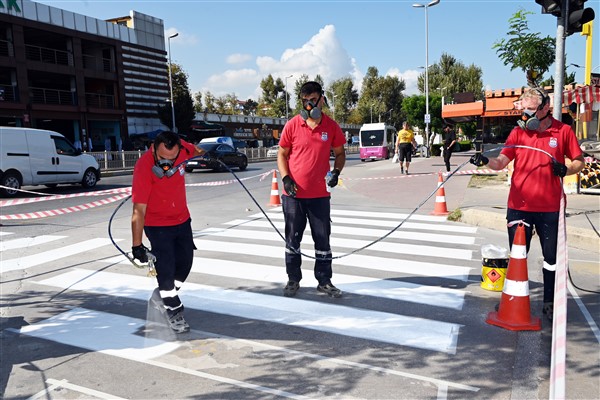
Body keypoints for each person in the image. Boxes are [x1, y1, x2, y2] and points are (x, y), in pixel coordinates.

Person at [469, 88, 584, 320]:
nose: (524, 115)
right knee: (517, 257)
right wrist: (485, 161)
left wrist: (566, 169)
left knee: (550, 259)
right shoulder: (517, 134)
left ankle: (549, 302)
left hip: (550, 209)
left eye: (530, 110)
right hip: (519, 207)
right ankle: (512, 300)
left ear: (544, 109)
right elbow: (501, 162)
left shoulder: (563, 131)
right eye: (523, 109)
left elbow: (579, 161)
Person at [130, 130, 206, 333]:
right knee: (166, 270)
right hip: (157, 225)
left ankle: (163, 295)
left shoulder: (182, 148)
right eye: (163, 158)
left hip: (182, 220)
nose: (168, 163)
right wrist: (137, 245)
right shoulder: (144, 167)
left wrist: (201, 152)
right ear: (154, 148)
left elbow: (198, 151)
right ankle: (174, 311)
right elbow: (138, 210)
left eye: (173, 159)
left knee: (185, 265)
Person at [277, 81, 346, 298]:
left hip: (319, 196)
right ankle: (293, 279)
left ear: (321, 99)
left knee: (322, 240)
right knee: (292, 239)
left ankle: (324, 281)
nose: (308, 105)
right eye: (304, 101)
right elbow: (281, 153)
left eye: (312, 100)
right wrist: (286, 178)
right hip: (293, 196)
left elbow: (340, 153)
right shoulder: (292, 125)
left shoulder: (331, 126)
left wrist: (336, 172)